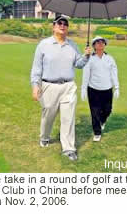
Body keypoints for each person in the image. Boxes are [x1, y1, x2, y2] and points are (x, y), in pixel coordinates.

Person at [31, 16, 91, 161]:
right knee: (48, 116)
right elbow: (36, 68)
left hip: (68, 86)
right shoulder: (43, 45)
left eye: (65, 24)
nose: (62, 26)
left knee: (68, 118)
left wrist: (87, 56)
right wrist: (35, 85)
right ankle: (45, 137)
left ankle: (69, 148)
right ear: (54, 26)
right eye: (59, 23)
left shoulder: (72, 45)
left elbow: (79, 64)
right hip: (49, 86)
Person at [81, 36, 119, 142]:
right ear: (93, 46)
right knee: (95, 111)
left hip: (107, 89)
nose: (100, 44)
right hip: (93, 89)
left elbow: (114, 73)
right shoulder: (90, 59)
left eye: (102, 42)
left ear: (105, 45)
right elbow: (86, 74)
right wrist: (83, 88)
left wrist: (116, 87)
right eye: (97, 42)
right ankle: (97, 132)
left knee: (108, 109)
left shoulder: (110, 58)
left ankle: (102, 121)